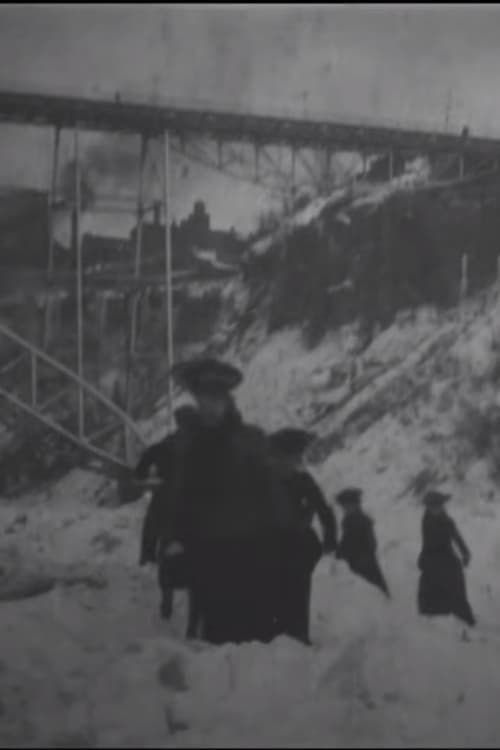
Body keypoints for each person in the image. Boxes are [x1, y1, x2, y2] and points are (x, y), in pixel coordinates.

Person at [169, 357, 298, 646]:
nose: (209, 407)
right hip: (204, 556)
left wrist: (283, 542)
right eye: (203, 399)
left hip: (247, 555)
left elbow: (274, 496)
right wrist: (175, 539)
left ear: (227, 400)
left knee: (250, 641)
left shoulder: (251, 441)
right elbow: (179, 498)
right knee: (210, 640)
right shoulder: (187, 446)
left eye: (215, 399)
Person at [136, 404, 202, 638]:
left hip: (168, 510)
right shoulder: (201, 447)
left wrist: (146, 477)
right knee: (197, 569)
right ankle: (193, 626)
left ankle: (166, 607)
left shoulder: (166, 445)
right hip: (191, 513)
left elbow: (144, 463)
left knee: (165, 556)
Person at [269, 427, 337, 644]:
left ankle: (298, 635)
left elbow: (325, 511)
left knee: (297, 590)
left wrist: (329, 541)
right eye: (285, 457)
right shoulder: (266, 480)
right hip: (271, 545)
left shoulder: (304, 480)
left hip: (298, 547)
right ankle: (276, 635)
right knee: (274, 590)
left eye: (294, 458)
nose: (290, 463)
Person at [417, 490, 476, 627]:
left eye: (438, 506)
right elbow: (427, 542)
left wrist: (465, 553)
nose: (435, 509)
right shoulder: (425, 520)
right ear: (427, 507)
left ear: (443, 506)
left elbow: (457, 537)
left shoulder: (447, 521)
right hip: (431, 559)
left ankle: (465, 620)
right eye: (432, 506)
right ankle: (436, 619)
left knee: (455, 589)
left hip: (447, 558)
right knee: (428, 589)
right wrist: (423, 556)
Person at [336, 487, 390, 598]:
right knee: (376, 586)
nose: (344, 509)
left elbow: (351, 541)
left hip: (362, 560)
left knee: (371, 588)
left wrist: (341, 552)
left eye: (347, 506)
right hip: (361, 559)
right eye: (343, 506)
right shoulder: (354, 519)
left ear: (355, 505)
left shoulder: (357, 521)